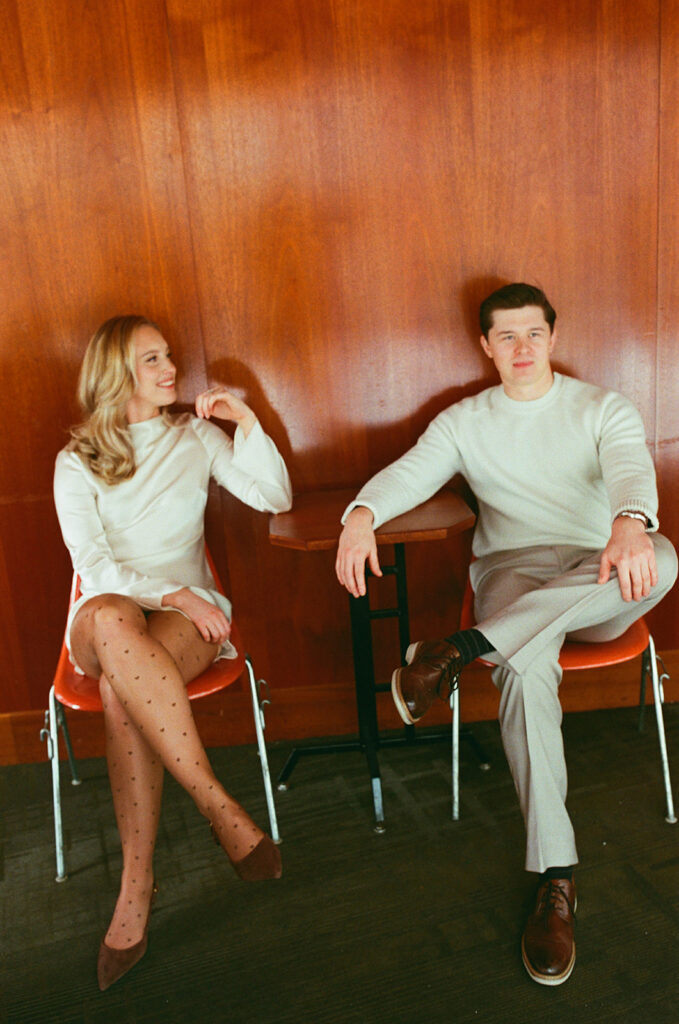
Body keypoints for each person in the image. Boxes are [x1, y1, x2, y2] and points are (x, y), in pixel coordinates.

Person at [335, 283, 677, 986]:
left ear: (553, 337)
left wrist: (629, 522)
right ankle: (556, 876)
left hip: (595, 573)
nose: (522, 348)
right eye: (506, 336)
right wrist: (361, 515)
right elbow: (410, 474)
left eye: (533, 333)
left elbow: (628, 467)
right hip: (512, 575)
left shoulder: (600, 406)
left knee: (664, 557)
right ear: (485, 346)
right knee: (524, 665)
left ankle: (458, 650)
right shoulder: (465, 421)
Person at [53, 315, 293, 991]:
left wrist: (247, 425)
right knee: (111, 618)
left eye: (168, 355)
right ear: (116, 374)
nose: (171, 370)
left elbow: (275, 496)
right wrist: (175, 593)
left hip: (180, 624)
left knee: (120, 690)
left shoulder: (195, 437)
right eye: (152, 359)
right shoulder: (76, 460)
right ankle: (219, 807)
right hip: (107, 615)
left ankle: (136, 885)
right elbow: (93, 568)